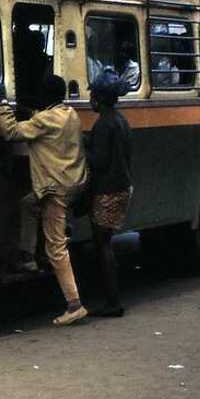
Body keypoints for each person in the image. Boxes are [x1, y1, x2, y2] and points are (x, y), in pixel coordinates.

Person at [0, 74, 90, 326]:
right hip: (72, 183)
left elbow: (12, 131)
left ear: (46, 96)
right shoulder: (70, 114)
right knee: (28, 204)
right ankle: (27, 255)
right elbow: (45, 120)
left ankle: (74, 304)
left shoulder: (44, 120)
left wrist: (3, 104)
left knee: (56, 248)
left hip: (53, 189)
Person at [85, 69, 132, 318]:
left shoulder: (104, 124)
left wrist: (84, 148)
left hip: (107, 189)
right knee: (106, 243)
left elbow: (99, 161)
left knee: (102, 245)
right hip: (122, 187)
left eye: (93, 94)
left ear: (100, 98)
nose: (91, 98)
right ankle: (112, 299)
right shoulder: (121, 120)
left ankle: (113, 302)